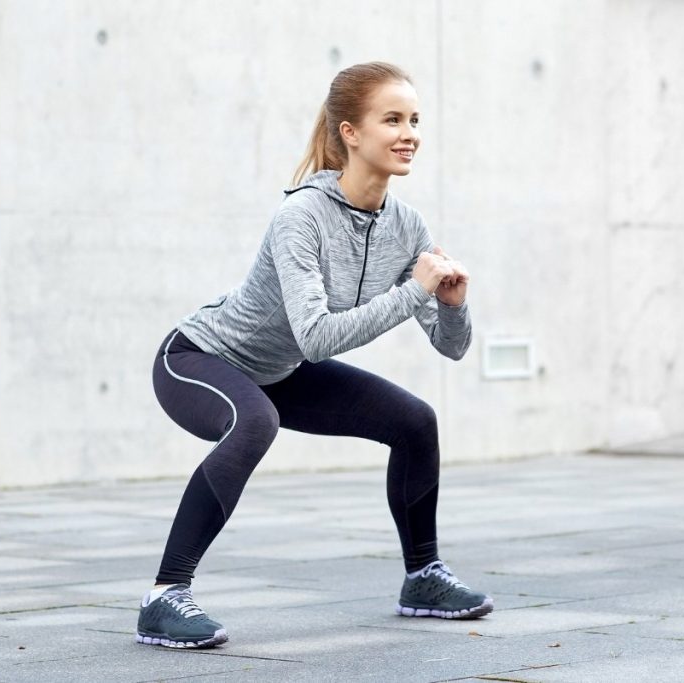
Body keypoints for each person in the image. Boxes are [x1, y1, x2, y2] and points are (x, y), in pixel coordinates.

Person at [136, 61, 493, 650]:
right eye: (392, 120)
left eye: (415, 120)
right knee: (256, 422)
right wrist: (413, 292)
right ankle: (164, 595)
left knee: (415, 421)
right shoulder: (300, 216)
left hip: (280, 370)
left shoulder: (406, 225)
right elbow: (317, 338)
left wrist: (452, 303)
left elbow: (451, 348)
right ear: (351, 132)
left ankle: (423, 578)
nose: (410, 134)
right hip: (200, 357)